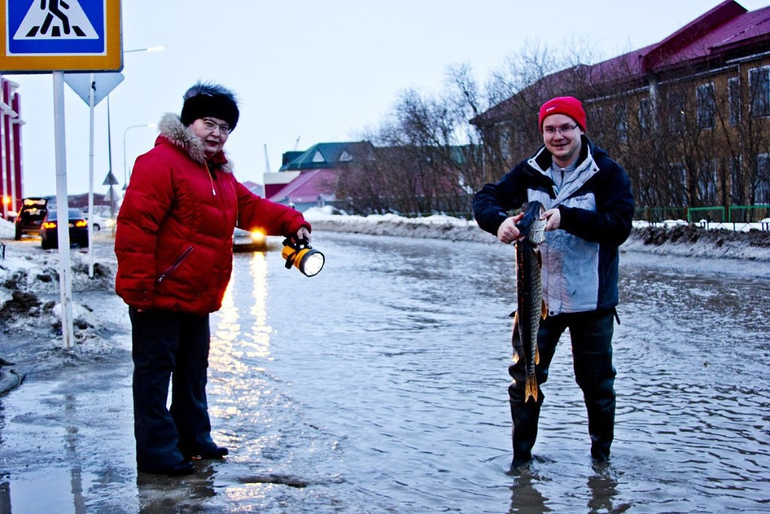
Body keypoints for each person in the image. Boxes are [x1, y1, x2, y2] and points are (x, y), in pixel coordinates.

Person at [115, 81, 312, 476]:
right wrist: (137, 288)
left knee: (193, 372)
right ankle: (157, 454)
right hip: (157, 292)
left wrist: (292, 220)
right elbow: (136, 227)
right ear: (189, 123)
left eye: (224, 127)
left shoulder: (219, 175)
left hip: (197, 293)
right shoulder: (159, 163)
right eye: (209, 123)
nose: (217, 133)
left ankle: (194, 439)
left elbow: (251, 207)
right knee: (155, 377)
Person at [473, 96, 634, 467]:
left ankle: (601, 461)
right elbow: (486, 196)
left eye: (565, 127)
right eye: (550, 129)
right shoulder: (530, 172)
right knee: (524, 378)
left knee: (597, 385)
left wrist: (568, 218)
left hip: (592, 301)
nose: (557, 136)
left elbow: (619, 227)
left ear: (581, 129)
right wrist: (498, 221)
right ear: (542, 132)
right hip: (538, 299)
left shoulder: (607, 173)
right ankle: (521, 462)